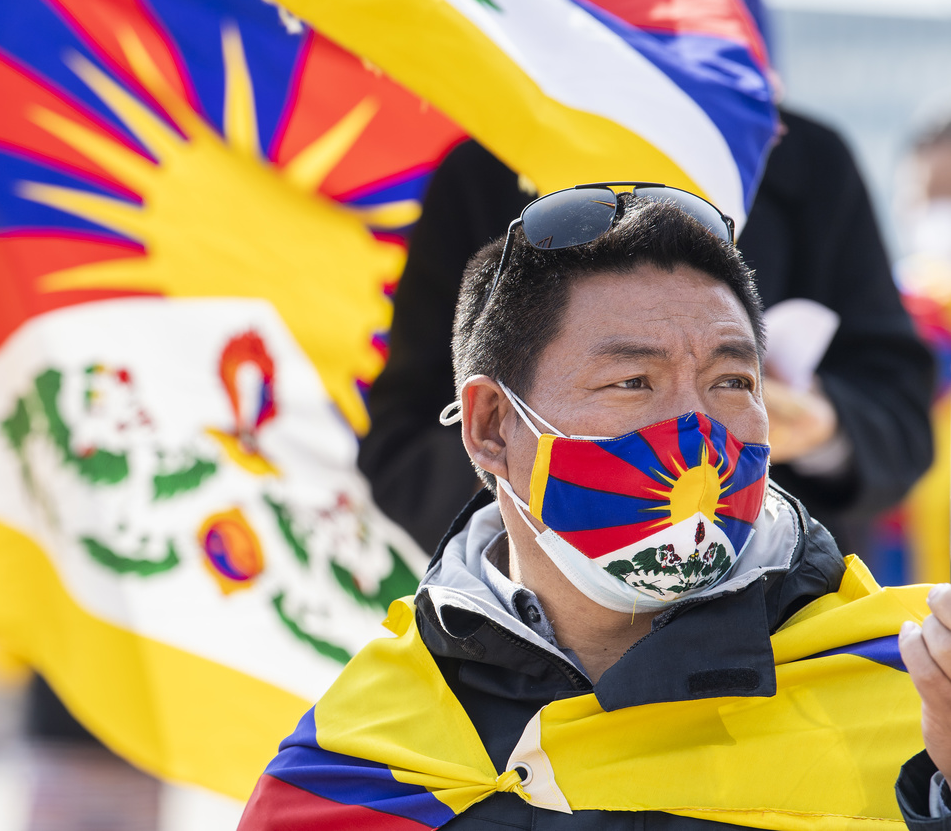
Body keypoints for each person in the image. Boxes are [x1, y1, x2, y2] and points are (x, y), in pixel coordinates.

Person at [239, 187, 951, 829]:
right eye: (633, 381)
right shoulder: (349, 772)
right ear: (490, 426)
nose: (697, 436)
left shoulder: (914, 691)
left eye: (732, 380)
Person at [360, 111, 936, 565]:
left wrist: (822, 429)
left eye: (731, 381)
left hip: (780, 640)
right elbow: (404, 458)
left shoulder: (810, 165)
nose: (689, 427)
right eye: (632, 380)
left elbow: (900, 423)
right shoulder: (481, 172)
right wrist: (563, 470)